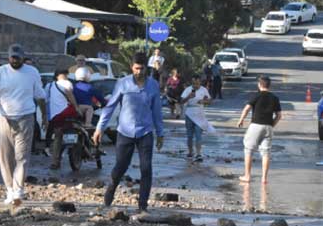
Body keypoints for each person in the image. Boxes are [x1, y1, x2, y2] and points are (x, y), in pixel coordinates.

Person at [0, 43, 47, 205]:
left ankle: (18, 191)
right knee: (5, 157)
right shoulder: (0, 72)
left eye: (18, 58)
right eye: (12, 58)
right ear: (8, 58)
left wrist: (45, 117)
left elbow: (40, 96)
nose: (15, 60)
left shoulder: (32, 72)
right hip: (4, 118)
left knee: (22, 156)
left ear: (22, 57)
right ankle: (9, 190)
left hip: (26, 118)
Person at [93, 52, 164, 213]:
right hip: (125, 132)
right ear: (132, 67)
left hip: (145, 132)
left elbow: (157, 111)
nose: (139, 71)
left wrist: (160, 133)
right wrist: (99, 128)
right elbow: (110, 107)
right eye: (136, 68)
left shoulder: (153, 85)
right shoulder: (123, 84)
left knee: (146, 168)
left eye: (142, 68)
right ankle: (111, 190)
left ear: (147, 68)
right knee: (121, 166)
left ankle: (142, 205)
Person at [237, 75, 282, 184]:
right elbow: (279, 115)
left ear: (259, 85)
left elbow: (247, 108)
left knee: (248, 150)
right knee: (266, 153)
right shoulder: (274, 98)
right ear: (269, 86)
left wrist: (241, 120)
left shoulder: (256, 96)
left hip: (256, 125)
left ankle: (247, 176)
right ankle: (264, 179)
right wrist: (272, 125)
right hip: (268, 127)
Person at [45, 68, 81, 169]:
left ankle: (55, 162)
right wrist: (77, 108)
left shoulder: (49, 85)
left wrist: (46, 115)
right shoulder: (67, 83)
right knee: (73, 131)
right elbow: (71, 95)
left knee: (58, 138)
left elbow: (46, 100)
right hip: (67, 113)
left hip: (55, 116)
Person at [180, 74, 214, 161]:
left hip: (199, 114)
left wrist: (204, 101)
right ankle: (190, 152)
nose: (195, 85)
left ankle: (198, 153)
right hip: (189, 114)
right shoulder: (188, 90)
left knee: (198, 134)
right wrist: (188, 97)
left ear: (200, 82)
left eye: (197, 83)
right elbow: (181, 101)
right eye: (194, 83)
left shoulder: (204, 90)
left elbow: (210, 100)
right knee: (189, 135)